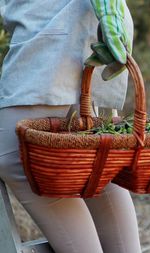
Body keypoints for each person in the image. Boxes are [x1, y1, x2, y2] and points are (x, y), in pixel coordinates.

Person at [0, 0, 142, 252]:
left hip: (54, 44)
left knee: (16, 157)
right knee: (93, 165)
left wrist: (109, 13)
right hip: (69, 38)